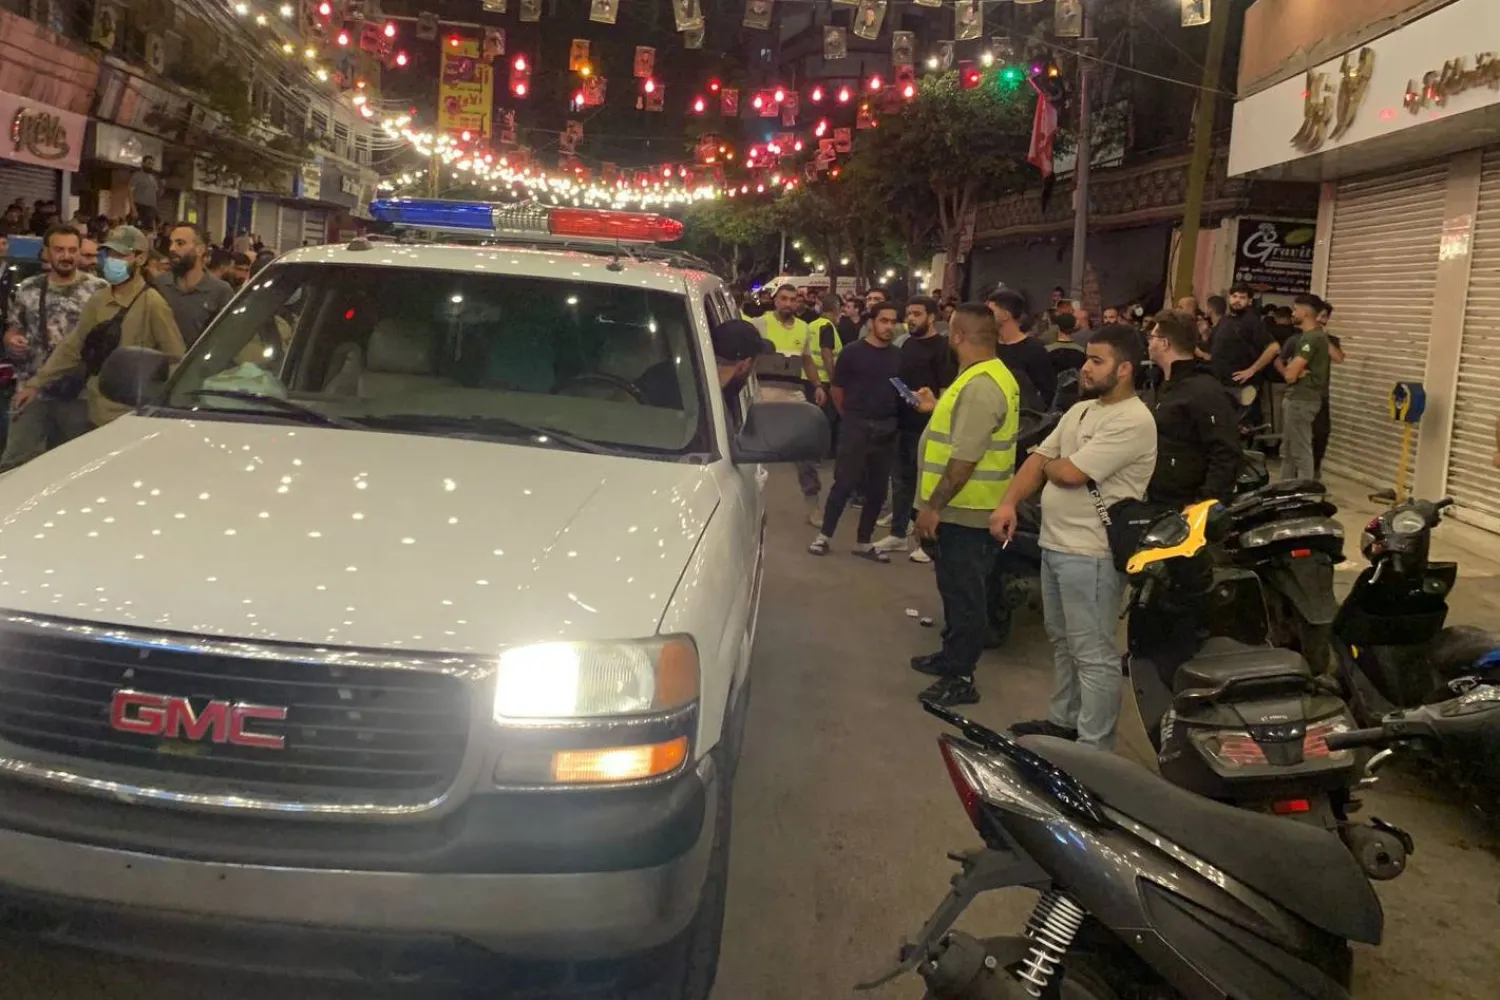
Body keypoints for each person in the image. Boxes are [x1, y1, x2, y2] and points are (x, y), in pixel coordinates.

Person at [993, 325, 1158, 750]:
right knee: (1063, 644)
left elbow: (1069, 473)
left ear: (1124, 369)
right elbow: (1038, 460)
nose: (1085, 367)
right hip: (1056, 545)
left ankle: (1093, 749)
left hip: (1093, 555)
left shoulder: (1135, 421)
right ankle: (1064, 723)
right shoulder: (1081, 412)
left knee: (1094, 655)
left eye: (1096, 360)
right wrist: (1009, 503)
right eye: (1087, 358)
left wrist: (1052, 464)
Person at [905, 304, 1022, 707]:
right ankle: (951, 656)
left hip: (965, 511)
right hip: (965, 508)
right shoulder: (983, 376)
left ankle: (961, 677)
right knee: (955, 591)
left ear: (957, 336)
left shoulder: (981, 384)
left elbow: (965, 459)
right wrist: (933, 407)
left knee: (966, 596)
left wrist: (932, 507)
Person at [7, 226, 185, 466]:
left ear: (140, 258)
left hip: (128, 418)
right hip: (94, 411)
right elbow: (73, 347)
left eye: (122, 256)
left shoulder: (152, 304)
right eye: (110, 255)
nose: (113, 262)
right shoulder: (99, 299)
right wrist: (35, 383)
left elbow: (176, 359)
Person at [1, 226, 109, 458]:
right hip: (32, 393)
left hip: (80, 396)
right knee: (15, 466)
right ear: (47, 253)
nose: (66, 256)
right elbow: (13, 328)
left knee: (76, 465)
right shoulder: (28, 288)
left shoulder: (99, 290)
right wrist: (12, 340)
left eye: (72, 250)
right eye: (59, 249)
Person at [808, 301, 902, 561]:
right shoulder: (852, 352)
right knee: (844, 483)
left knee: (878, 489)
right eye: (884, 320)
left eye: (893, 322)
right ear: (871, 322)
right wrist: (849, 417)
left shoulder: (897, 356)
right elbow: (837, 389)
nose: (889, 326)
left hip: (887, 428)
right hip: (856, 425)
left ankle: (864, 541)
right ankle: (824, 536)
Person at [875, 296, 954, 561]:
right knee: (901, 482)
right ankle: (899, 533)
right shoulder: (906, 344)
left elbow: (945, 390)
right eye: (908, 314)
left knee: (927, 486)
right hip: (902, 423)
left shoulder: (942, 348)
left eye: (917, 314)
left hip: (928, 427)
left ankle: (928, 543)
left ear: (931, 317)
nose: (911, 319)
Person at [1144, 309, 1242, 506]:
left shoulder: (1203, 390)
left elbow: (1225, 452)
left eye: (1151, 337)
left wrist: (1204, 503)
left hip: (1185, 503)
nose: (1149, 343)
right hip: (1156, 497)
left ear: (1164, 343)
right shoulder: (1160, 383)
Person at [753, 281, 826, 524]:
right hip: (761, 392)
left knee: (805, 450)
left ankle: (813, 505)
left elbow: (806, 361)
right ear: (775, 300)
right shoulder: (760, 323)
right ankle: (750, 504)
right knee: (752, 452)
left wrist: (817, 386)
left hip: (793, 392)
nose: (787, 303)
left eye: (792, 299)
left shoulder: (804, 328)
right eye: (783, 298)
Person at [1279, 294, 1332, 481]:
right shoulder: (1309, 337)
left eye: (1295, 309)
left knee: (1300, 451)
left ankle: (1305, 492)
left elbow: (1290, 374)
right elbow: (1292, 372)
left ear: (1305, 311)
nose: (1293, 313)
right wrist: (1294, 371)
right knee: (1288, 450)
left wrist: (1294, 371)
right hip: (1297, 398)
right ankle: (1284, 489)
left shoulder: (1312, 338)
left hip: (1302, 400)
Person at [157, 223, 235, 348]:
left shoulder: (221, 291)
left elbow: (226, 341)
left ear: (200, 249)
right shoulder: (159, 285)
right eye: (171, 243)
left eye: (180, 243)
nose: (172, 248)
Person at [986, 289, 1052, 410]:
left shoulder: (1034, 350)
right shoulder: (987, 346)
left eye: (991, 312)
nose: (986, 317)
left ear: (1005, 315)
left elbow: (1046, 393)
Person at [1046, 312, 1087, 387]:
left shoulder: (1047, 350)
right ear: (1074, 327)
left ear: (1058, 327)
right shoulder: (1082, 351)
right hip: (1075, 392)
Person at [129, 156, 162, 230]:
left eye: (152, 164)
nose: (150, 166)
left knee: (148, 231)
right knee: (137, 230)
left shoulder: (153, 178)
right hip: (140, 207)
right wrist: (133, 208)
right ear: (143, 163)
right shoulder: (137, 175)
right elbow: (130, 191)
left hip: (150, 209)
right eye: (148, 163)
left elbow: (155, 194)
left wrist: (155, 212)